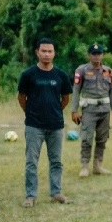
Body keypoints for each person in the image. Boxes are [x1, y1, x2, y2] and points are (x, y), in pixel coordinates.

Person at [17, 37, 72, 207]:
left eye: (50, 51)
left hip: (55, 125)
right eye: (43, 51)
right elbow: (21, 97)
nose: (47, 54)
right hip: (34, 125)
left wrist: (54, 111)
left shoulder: (61, 75)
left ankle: (56, 192)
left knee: (56, 161)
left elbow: (65, 98)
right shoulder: (28, 75)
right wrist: (31, 112)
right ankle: (30, 195)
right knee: (31, 161)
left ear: (54, 53)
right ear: (37, 52)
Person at [70, 43, 112, 177]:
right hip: (89, 109)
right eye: (94, 54)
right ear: (89, 55)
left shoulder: (108, 71)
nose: (97, 56)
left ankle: (98, 165)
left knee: (102, 139)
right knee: (87, 138)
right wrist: (74, 110)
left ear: (102, 55)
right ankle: (84, 166)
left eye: (99, 54)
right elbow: (76, 90)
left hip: (104, 110)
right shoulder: (82, 70)